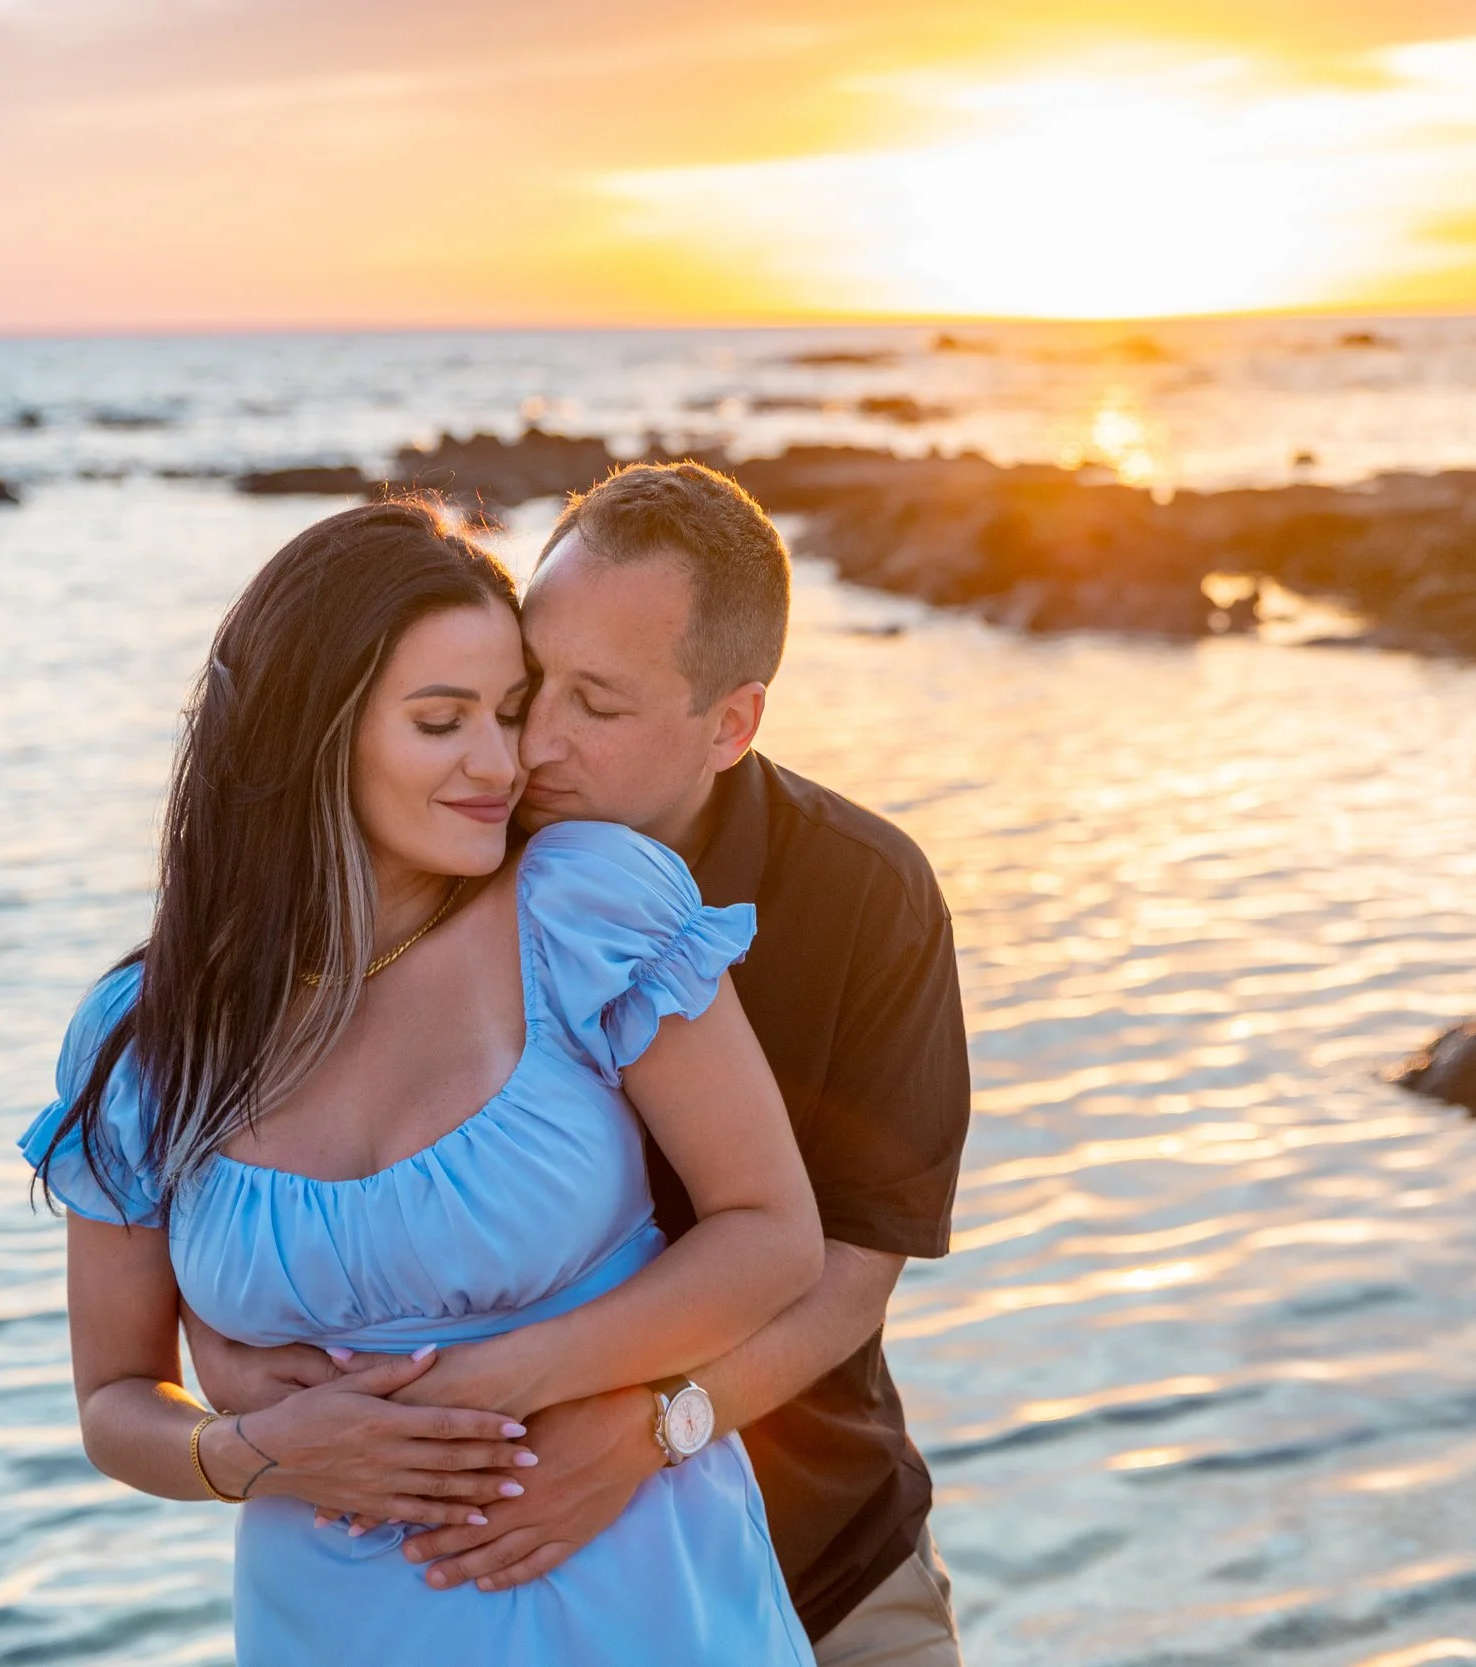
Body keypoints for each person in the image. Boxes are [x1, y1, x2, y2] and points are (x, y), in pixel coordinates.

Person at [192, 462, 976, 1664]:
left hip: (821, 1552)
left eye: (594, 705)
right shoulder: (448, 844)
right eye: (526, 683)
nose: (530, 747)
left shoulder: (865, 895)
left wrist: (657, 1425)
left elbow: (845, 1267)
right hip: (466, 1588)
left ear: (730, 723)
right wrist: (243, 1368)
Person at [22, 498, 824, 1665]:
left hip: (639, 1602)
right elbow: (113, 1398)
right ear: (312, 733)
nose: (502, 764)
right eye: (442, 721)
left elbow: (773, 1236)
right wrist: (256, 1451)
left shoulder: (585, 910)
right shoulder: (148, 1038)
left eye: (509, 713)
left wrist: (501, 1378)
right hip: (335, 1622)